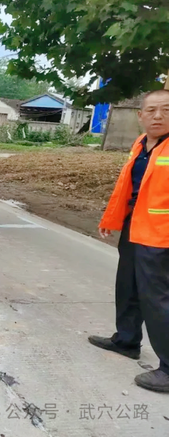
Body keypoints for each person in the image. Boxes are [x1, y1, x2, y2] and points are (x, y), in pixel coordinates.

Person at [89, 89, 169, 393]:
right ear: (141, 115)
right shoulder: (141, 144)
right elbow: (128, 187)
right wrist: (111, 219)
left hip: (161, 236)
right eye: (151, 110)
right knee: (128, 286)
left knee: (157, 299)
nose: (158, 116)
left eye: (166, 110)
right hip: (133, 227)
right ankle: (126, 340)